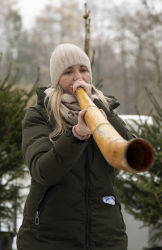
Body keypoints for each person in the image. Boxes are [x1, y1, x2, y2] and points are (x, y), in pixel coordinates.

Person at [16, 43, 135, 250]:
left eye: (83, 69)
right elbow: (43, 171)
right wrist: (76, 135)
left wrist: (98, 108)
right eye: (68, 71)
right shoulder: (39, 115)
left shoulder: (103, 108)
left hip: (106, 238)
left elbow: (129, 151)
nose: (77, 77)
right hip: (49, 238)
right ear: (57, 79)